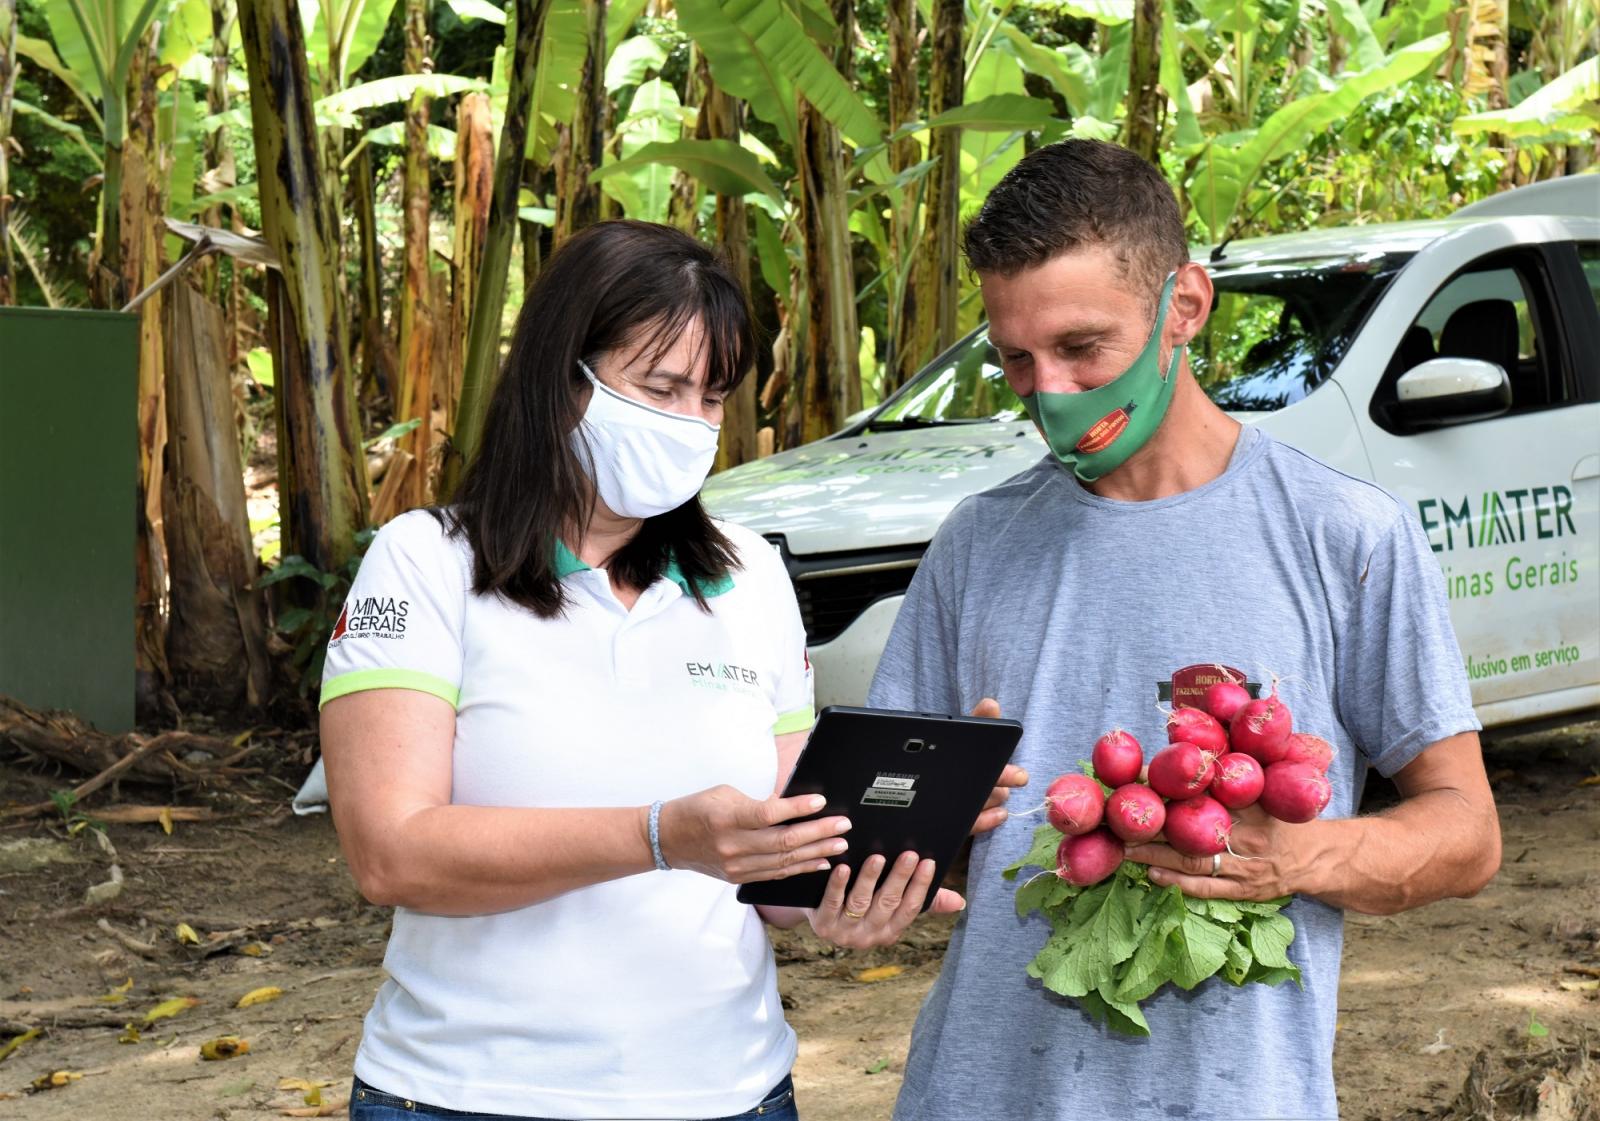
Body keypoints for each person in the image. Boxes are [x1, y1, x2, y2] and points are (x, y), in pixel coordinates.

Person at [867, 140, 1502, 1121]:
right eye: (1016, 359)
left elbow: (1466, 832)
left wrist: (1297, 858)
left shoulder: (1345, 534)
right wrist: (938, 819)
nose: (1051, 392)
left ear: (1185, 307)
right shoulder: (977, 543)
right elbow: (884, 827)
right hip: (977, 1091)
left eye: (1083, 348)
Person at [319, 220, 981, 1121]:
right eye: (660, 386)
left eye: (711, 397)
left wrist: (869, 862)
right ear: (562, 380)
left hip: (730, 1091)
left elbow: (775, 859)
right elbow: (390, 854)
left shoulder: (749, 577)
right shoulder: (426, 562)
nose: (689, 424)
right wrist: (659, 835)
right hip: (470, 1092)